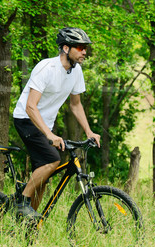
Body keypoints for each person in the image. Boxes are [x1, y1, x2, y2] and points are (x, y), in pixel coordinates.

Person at [12, 27, 101, 220]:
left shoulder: (76, 72)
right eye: (80, 47)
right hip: (26, 120)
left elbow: (75, 105)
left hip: (44, 124)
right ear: (66, 48)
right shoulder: (47, 68)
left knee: (42, 180)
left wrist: (89, 131)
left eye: (85, 48)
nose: (85, 52)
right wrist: (50, 135)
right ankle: (22, 202)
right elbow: (30, 107)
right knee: (53, 159)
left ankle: (28, 225)